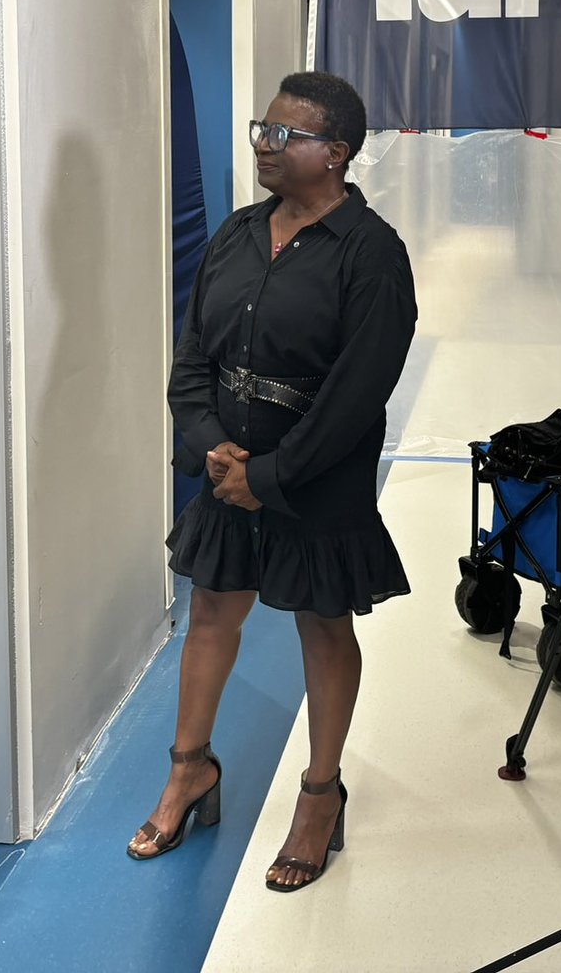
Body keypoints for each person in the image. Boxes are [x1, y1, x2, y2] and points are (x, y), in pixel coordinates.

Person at [127, 70, 417, 891]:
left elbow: (359, 393)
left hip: (315, 479)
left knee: (324, 628)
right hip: (229, 472)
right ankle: (190, 770)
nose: (265, 142)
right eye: (264, 127)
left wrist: (274, 477)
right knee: (212, 611)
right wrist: (217, 449)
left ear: (337, 153)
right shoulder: (237, 235)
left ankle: (320, 797)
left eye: (285, 134)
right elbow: (192, 361)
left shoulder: (373, 255)